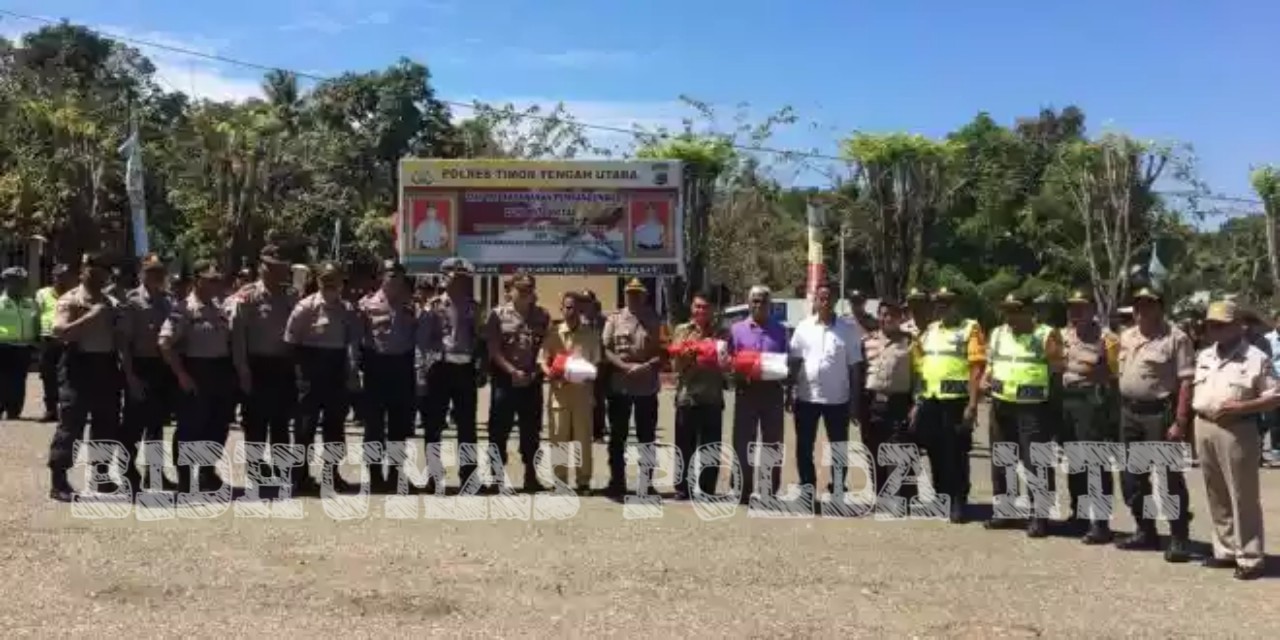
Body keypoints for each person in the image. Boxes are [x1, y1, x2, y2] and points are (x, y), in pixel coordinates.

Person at [1191, 300, 1275, 580]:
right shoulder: (1205, 355)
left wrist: (1241, 407)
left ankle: (1250, 557)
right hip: (1204, 425)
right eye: (1211, 325)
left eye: (1221, 325)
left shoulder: (1255, 357)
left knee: (1243, 495)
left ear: (1238, 326)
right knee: (1216, 493)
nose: (1215, 330)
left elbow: (1274, 397)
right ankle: (1226, 551)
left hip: (1237, 430)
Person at [1115, 286, 1195, 562]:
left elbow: (1186, 381)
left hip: (1159, 414)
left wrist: (1181, 420)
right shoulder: (1126, 336)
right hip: (1129, 413)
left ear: (1161, 307)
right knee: (1131, 478)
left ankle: (1179, 536)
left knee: (1169, 478)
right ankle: (1145, 530)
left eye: (1149, 305)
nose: (1142, 310)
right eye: (1138, 305)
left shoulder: (1177, 338)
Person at [983, 292, 1064, 537]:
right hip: (1001, 405)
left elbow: (1057, 372)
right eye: (1007, 311)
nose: (1010, 316)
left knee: (1035, 463)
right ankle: (1004, 510)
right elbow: (991, 364)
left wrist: (1054, 411)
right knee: (1002, 460)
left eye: (1015, 311)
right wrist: (986, 380)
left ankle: (1039, 516)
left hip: (1033, 408)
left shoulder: (1045, 335)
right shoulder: (997, 333)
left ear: (1030, 312)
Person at [47, 253, 123, 502]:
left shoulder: (111, 302)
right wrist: (89, 318)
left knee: (107, 423)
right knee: (71, 424)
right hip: (78, 366)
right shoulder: (71, 300)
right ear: (83, 271)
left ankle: (101, 475)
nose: (98, 274)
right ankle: (58, 481)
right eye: (93, 269)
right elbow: (59, 332)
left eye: (103, 270)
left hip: (107, 366)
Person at [159, 261, 235, 493]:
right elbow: (165, 343)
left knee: (217, 425)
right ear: (197, 281)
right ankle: (184, 476)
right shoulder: (183, 309)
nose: (215, 284)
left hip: (219, 372)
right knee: (191, 427)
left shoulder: (220, 308)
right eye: (210, 279)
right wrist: (181, 374)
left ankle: (206, 472)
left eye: (217, 279)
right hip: (195, 372)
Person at [911, 287, 985, 523]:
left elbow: (976, 368)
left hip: (956, 402)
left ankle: (958, 500)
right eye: (939, 303)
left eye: (947, 303)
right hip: (931, 400)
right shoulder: (930, 330)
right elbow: (921, 364)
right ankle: (941, 496)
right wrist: (918, 399)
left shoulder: (970, 328)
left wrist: (972, 405)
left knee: (956, 452)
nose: (942, 307)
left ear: (957, 305)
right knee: (934, 451)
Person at [285, 262, 360, 494]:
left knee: (335, 427)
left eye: (334, 281)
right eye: (326, 280)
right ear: (318, 282)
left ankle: (332, 475)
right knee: (305, 427)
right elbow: (291, 342)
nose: (330, 285)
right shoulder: (305, 308)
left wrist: (352, 371)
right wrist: (298, 374)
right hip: (309, 371)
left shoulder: (347, 310)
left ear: (341, 283)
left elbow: (352, 342)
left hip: (336, 370)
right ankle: (299, 477)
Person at [789, 281, 863, 510]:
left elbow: (855, 368)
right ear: (815, 300)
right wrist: (788, 391)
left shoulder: (848, 330)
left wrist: (855, 402)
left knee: (839, 448)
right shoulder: (803, 328)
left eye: (828, 297)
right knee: (804, 447)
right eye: (820, 297)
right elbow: (794, 362)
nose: (824, 301)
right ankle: (807, 491)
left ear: (834, 301)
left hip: (838, 400)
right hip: (806, 398)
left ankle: (838, 491)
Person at [227, 246, 298, 485]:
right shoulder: (247, 296)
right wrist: (242, 369)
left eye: (281, 268)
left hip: (283, 366)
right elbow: (237, 335)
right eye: (271, 268)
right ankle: (256, 469)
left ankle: (281, 468)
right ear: (261, 268)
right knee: (256, 422)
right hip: (256, 365)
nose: (277, 273)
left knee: (281, 421)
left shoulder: (291, 296)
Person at [417, 257, 484, 493]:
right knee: (434, 426)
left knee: (467, 427)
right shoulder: (433, 306)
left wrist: (481, 367)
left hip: (465, 369)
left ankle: (468, 476)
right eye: (456, 277)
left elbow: (479, 339)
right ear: (445, 279)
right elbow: (422, 344)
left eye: (464, 277)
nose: (461, 281)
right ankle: (434, 476)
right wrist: (422, 374)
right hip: (440, 369)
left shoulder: (474, 307)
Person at [1059, 289, 1119, 544]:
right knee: (1074, 462)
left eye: (1081, 307)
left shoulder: (1107, 339)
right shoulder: (1061, 336)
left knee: (1096, 463)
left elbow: (1115, 374)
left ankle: (1101, 523)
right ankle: (1079, 515)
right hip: (1066, 401)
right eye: (1072, 307)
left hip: (1092, 402)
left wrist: (1092, 374)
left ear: (1093, 310)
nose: (1075, 313)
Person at [485, 273, 551, 492]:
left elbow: (546, 348)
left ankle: (531, 476)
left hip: (532, 381)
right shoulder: (497, 315)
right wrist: (512, 371)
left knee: (531, 432)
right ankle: (496, 478)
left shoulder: (542, 316)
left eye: (528, 288)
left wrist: (536, 370)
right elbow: (493, 349)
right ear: (511, 290)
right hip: (505, 380)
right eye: (520, 288)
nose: (525, 292)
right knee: (498, 431)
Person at [356, 260, 418, 492]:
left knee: (399, 425)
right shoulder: (366, 305)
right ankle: (374, 475)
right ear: (381, 276)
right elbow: (357, 339)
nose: (394, 278)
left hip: (402, 367)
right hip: (376, 367)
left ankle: (395, 473)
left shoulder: (412, 306)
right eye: (390, 273)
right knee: (373, 426)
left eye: (398, 274)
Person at [601, 278, 664, 497]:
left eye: (638, 294)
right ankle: (617, 481)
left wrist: (645, 366)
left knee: (646, 437)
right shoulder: (614, 319)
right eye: (630, 293)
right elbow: (606, 349)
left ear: (645, 296)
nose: (634, 297)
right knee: (618, 437)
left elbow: (661, 351)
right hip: (621, 386)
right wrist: (624, 366)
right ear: (625, 295)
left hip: (646, 385)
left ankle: (646, 483)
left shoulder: (654, 319)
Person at [119, 255, 177, 490]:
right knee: (133, 424)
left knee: (156, 424)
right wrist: (130, 376)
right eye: (151, 272)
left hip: (161, 368)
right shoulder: (132, 301)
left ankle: (155, 474)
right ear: (141, 274)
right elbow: (123, 343)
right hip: (139, 366)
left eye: (160, 273)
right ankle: (127, 472)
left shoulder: (167, 301)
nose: (156, 277)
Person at [729, 285, 788, 503]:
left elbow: (788, 361)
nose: (758, 305)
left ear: (769, 304)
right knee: (743, 440)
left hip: (773, 392)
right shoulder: (736, 330)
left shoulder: (781, 331)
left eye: (763, 300)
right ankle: (742, 489)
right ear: (748, 302)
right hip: (747, 391)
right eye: (754, 300)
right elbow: (729, 361)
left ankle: (769, 490)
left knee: (772, 442)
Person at [540, 291, 602, 493]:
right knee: (558, 439)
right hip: (559, 396)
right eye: (567, 307)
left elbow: (594, 364)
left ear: (580, 309)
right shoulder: (553, 333)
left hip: (582, 395)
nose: (571, 311)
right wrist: (550, 372)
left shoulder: (591, 335)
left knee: (583, 440)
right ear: (561, 309)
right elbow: (543, 359)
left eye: (574, 307)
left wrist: (577, 372)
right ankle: (560, 481)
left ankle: (583, 481)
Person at [670, 292, 730, 500]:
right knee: (684, 444)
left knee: (710, 446)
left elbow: (726, 365)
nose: (700, 311)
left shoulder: (722, 334)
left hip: (712, 396)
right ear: (691, 309)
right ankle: (681, 487)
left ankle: (707, 488)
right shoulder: (682, 331)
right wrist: (690, 356)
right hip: (687, 396)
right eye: (697, 307)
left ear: (712, 310)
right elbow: (674, 365)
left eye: (705, 307)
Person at [861, 298, 914, 499]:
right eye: (883, 314)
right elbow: (860, 373)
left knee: (898, 451)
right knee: (874, 451)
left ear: (899, 317)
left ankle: (900, 497)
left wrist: (915, 403)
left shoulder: (909, 342)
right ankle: (881, 496)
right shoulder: (867, 342)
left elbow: (917, 373)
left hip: (899, 403)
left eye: (891, 314)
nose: (887, 318)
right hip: (874, 403)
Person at [34, 264, 75, 422]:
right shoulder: (42, 293)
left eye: (64, 276)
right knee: (47, 376)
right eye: (58, 276)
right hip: (48, 339)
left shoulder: (74, 294)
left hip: (67, 340)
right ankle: (51, 410)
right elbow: (36, 315)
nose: (61, 279)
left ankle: (67, 410)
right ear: (53, 277)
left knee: (67, 377)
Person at [0, 267, 39, 420]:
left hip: (23, 348)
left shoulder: (30, 303)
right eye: (13, 281)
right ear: (6, 282)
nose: (17, 285)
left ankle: (14, 410)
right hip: (3, 346)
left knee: (19, 380)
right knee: (2, 379)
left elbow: (36, 323)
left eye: (21, 282)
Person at [1264, 310, 1280, 462]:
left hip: (1174, 397)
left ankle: (1177, 482)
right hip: (1274, 384)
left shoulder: (1178, 338)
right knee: (1273, 418)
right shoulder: (1267, 339)